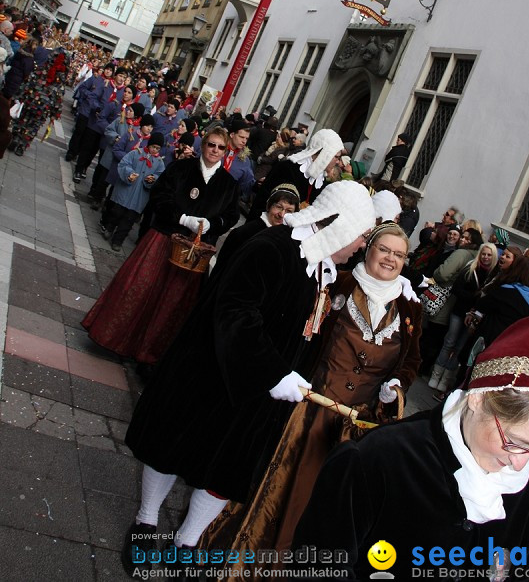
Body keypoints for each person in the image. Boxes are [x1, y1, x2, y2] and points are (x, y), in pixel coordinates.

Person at [120, 181, 376, 575]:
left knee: (227, 470)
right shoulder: (271, 247)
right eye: (360, 235)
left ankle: (187, 541)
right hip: (210, 374)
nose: (361, 245)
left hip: (260, 397)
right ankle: (145, 521)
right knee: (171, 449)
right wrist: (272, 371)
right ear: (339, 225)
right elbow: (236, 311)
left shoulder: (321, 268)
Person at [291, 316, 529, 579]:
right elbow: (317, 566)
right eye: (515, 442)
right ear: (478, 400)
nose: (520, 464)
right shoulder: (380, 457)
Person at [222, 222, 422, 555]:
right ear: (368, 248)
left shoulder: (409, 305)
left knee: (327, 505)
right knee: (279, 491)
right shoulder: (337, 281)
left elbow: (412, 358)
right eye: (384, 249)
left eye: (398, 255)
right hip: (308, 410)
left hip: (359, 425)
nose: (390, 259)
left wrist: (398, 383)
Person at [82, 126, 240, 366]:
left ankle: (148, 355)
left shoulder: (229, 184)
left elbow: (230, 216)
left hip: (193, 252)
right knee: (138, 288)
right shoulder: (181, 168)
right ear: (203, 145)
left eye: (220, 147)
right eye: (211, 145)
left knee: (171, 305)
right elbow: (158, 197)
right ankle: (116, 341)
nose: (215, 150)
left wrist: (212, 224)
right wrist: (181, 218)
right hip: (164, 238)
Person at [429, 242, 498, 393]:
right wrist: (473, 296)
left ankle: (446, 378)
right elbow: (456, 289)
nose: (486, 257)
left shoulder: (494, 275)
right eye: (484, 254)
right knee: (449, 341)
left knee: (460, 346)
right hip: (459, 312)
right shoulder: (470, 268)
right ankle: (436, 375)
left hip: (474, 316)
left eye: (489, 255)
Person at [248, 128, 344, 219]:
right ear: (325, 154)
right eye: (336, 157)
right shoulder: (288, 168)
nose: (337, 162)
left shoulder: (321, 182)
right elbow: (263, 201)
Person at [212, 183, 301, 276]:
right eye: (279, 207)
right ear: (269, 206)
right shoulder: (243, 233)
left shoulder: (292, 243)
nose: (282, 215)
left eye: (289, 211)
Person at [101, 131, 165, 253]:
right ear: (149, 145)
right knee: (116, 213)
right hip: (124, 192)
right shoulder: (136, 153)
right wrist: (129, 173)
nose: (155, 150)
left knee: (128, 221)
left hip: (139, 198)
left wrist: (152, 179)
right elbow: (124, 163)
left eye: (158, 148)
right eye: (153, 147)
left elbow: (160, 176)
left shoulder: (159, 163)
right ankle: (109, 227)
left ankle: (118, 241)